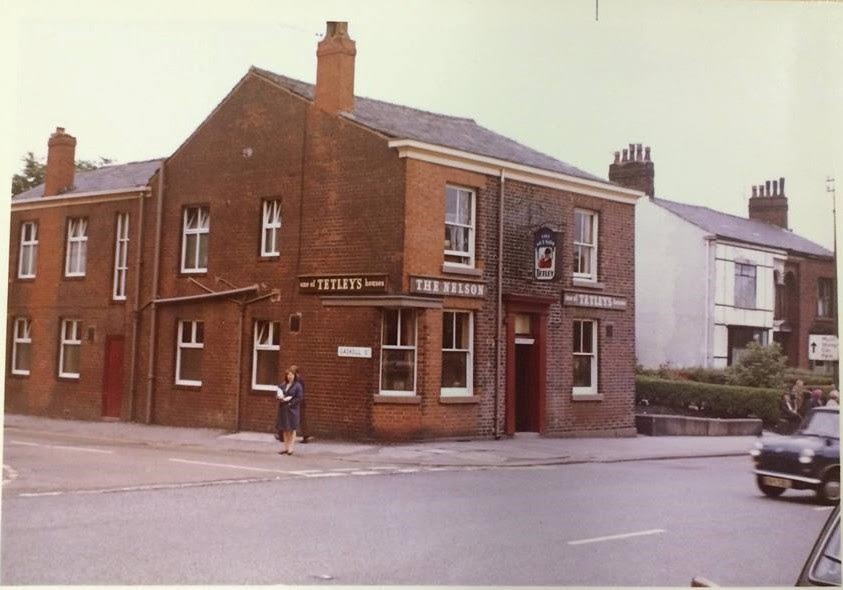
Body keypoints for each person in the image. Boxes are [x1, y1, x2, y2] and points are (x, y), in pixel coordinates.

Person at [276, 367, 303, 455]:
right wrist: (279, 397)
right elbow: (278, 392)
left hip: (292, 410)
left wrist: (291, 402)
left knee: (292, 428)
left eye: (291, 375)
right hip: (283, 409)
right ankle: (286, 447)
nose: (289, 376)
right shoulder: (283, 385)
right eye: (288, 375)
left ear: (295, 376)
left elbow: (299, 398)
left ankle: (291, 448)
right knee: (285, 428)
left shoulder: (297, 386)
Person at [290, 365, 311, 443]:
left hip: (298, 401)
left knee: (300, 418)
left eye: (292, 372)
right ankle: (282, 434)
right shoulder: (299, 380)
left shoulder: (298, 381)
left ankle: (305, 435)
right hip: (298, 401)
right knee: (300, 419)